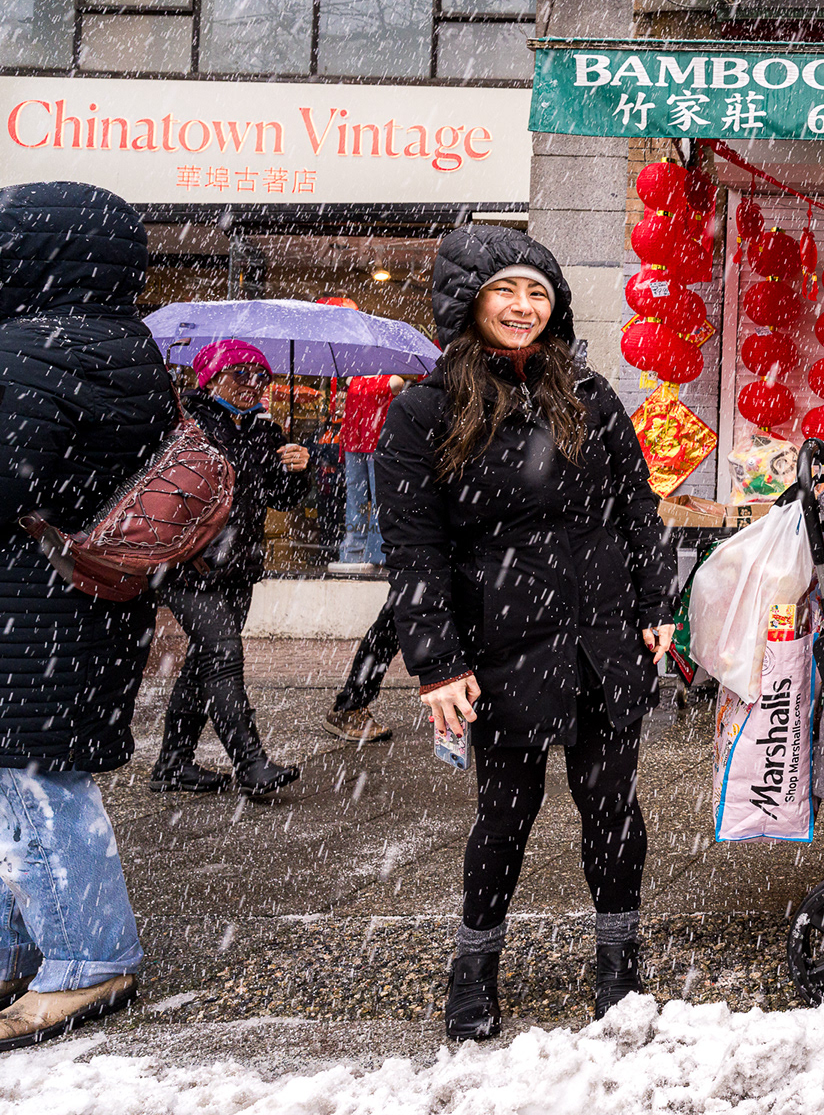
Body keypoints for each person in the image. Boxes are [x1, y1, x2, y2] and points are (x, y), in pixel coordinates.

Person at [379, 224, 675, 1041]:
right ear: (467, 301)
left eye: (537, 293)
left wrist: (657, 604)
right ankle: (474, 968)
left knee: (611, 808)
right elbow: (415, 550)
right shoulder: (422, 412)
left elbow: (637, 509)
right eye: (504, 290)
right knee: (504, 815)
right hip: (501, 648)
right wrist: (435, 662)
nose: (521, 307)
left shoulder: (588, 394)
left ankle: (619, 965)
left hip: (603, 639)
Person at [0, 181, 176, 1048]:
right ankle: (22, 945)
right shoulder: (127, 344)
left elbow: (9, 483)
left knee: (36, 786)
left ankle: (88, 960)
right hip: (87, 599)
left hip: (28, 607)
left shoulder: (26, 347)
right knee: (25, 782)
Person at [149, 339, 308, 798]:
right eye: (240, 375)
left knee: (203, 663)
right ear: (211, 378)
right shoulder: (186, 425)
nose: (251, 385)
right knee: (222, 657)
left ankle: (173, 764)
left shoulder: (263, 428)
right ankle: (251, 764)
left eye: (260, 377)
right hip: (186, 565)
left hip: (238, 566)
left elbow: (282, 498)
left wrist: (298, 468)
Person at [330, 373, 405, 576]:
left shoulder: (392, 380)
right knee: (356, 497)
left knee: (380, 497)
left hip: (378, 442)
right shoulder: (353, 379)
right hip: (355, 440)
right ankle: (354, 549)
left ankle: (377, 552)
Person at [321, 590, 398, 744]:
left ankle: (351, 703)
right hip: (420, 570)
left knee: (396, 620)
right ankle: (349, 707)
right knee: (395, 621)